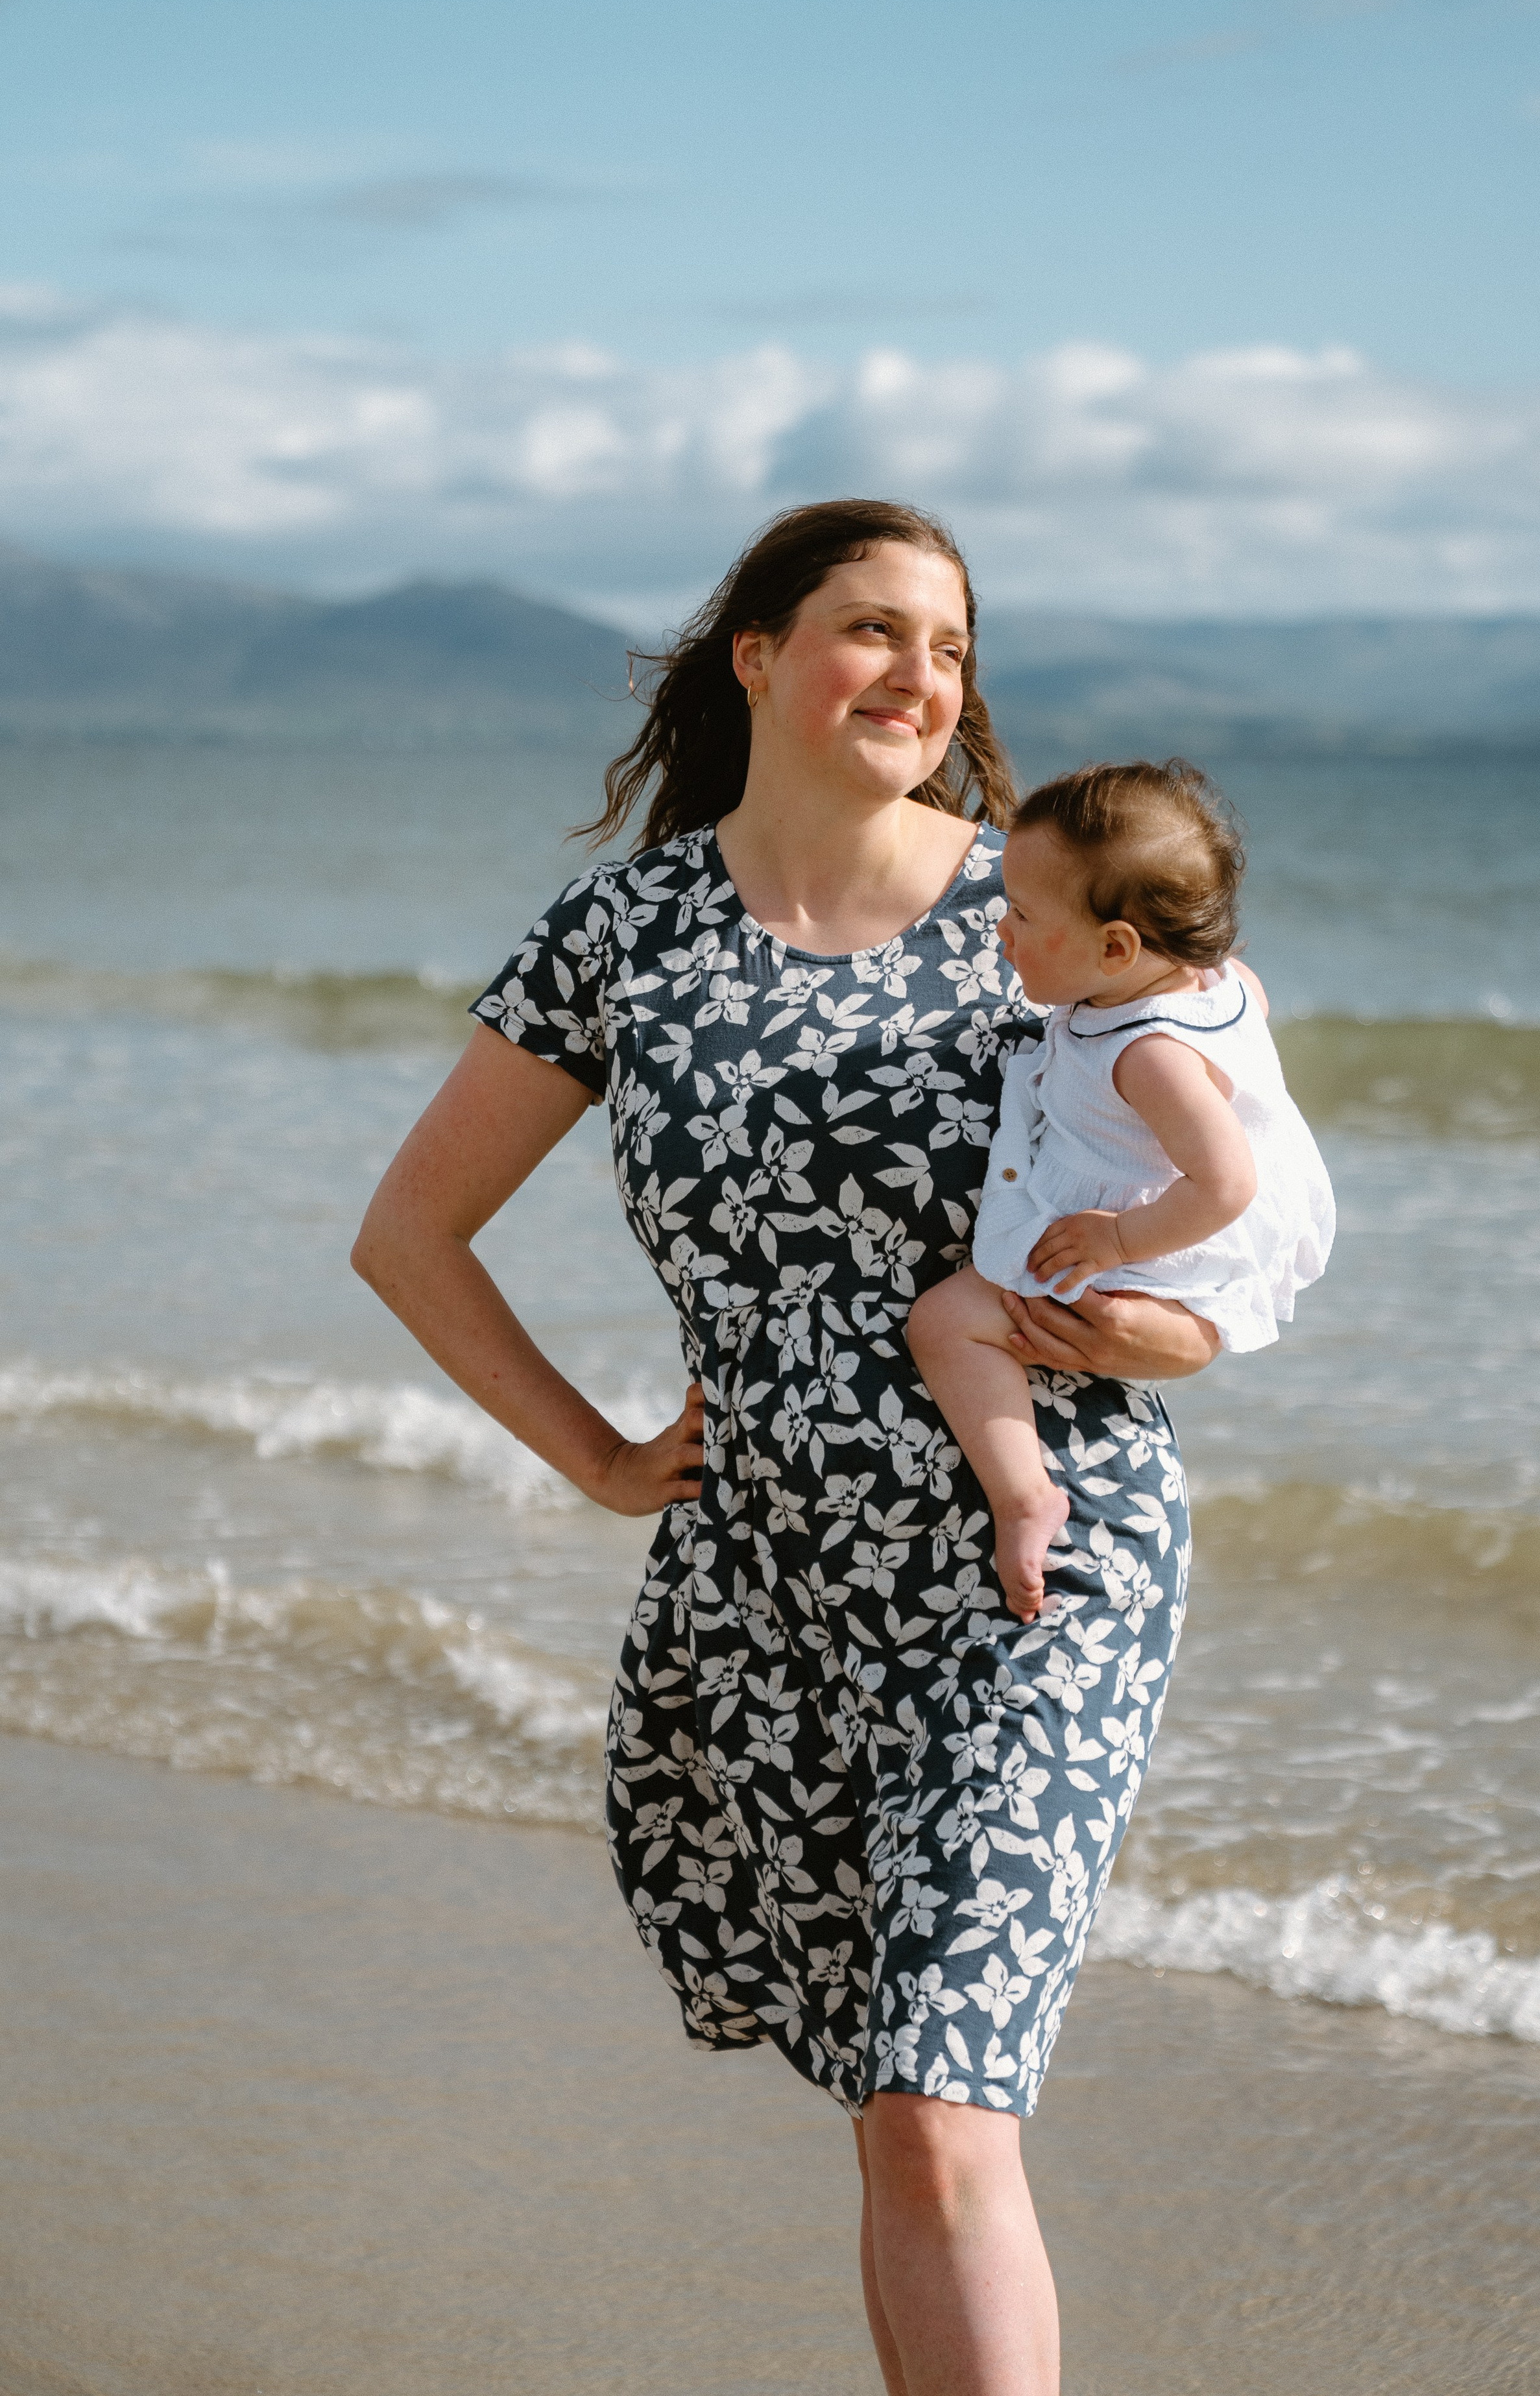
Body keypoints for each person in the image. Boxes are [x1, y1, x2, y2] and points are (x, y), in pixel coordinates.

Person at [352, 500, 1218, 2396]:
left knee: (939, 2091)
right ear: (756, 656)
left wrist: (1178, 1320)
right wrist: (592, 1457)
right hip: (772, 1588)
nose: (921, 677)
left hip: (1032, 1554)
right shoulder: (626, 930)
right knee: (892, 2107)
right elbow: (408, 1237)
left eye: (953, 646)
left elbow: (1249, 1187)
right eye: (872, 629)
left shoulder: (1040, 916)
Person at [906, 759, 1336, 1623]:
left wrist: (1116, 1243)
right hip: (1174, 1232)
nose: (1002, 934)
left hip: (1149, 1241)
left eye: (1023, 917)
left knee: (946, 1323)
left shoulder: (1149, 1054)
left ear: (1116, 949)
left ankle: (1023, 1494)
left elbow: (1227, 1179)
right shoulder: (1217, 984)